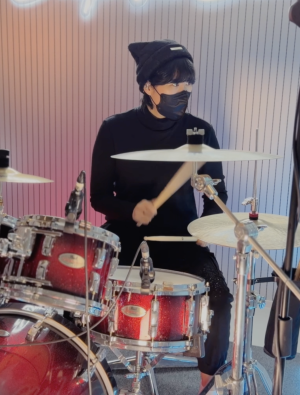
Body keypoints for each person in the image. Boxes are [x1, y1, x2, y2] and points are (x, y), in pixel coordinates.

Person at [90, 39, 233, 393]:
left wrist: (206, 228)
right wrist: (130, 209)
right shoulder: (114, 129)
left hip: (181, 239)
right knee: (82, 289)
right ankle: (84, 367)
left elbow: (216, 195)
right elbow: (98, 196)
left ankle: (209, 382)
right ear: (148, 87)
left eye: (188, 83)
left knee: (220, 299)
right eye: (173, 83)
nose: (183, 91)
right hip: (126, 237)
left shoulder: (200, 132)